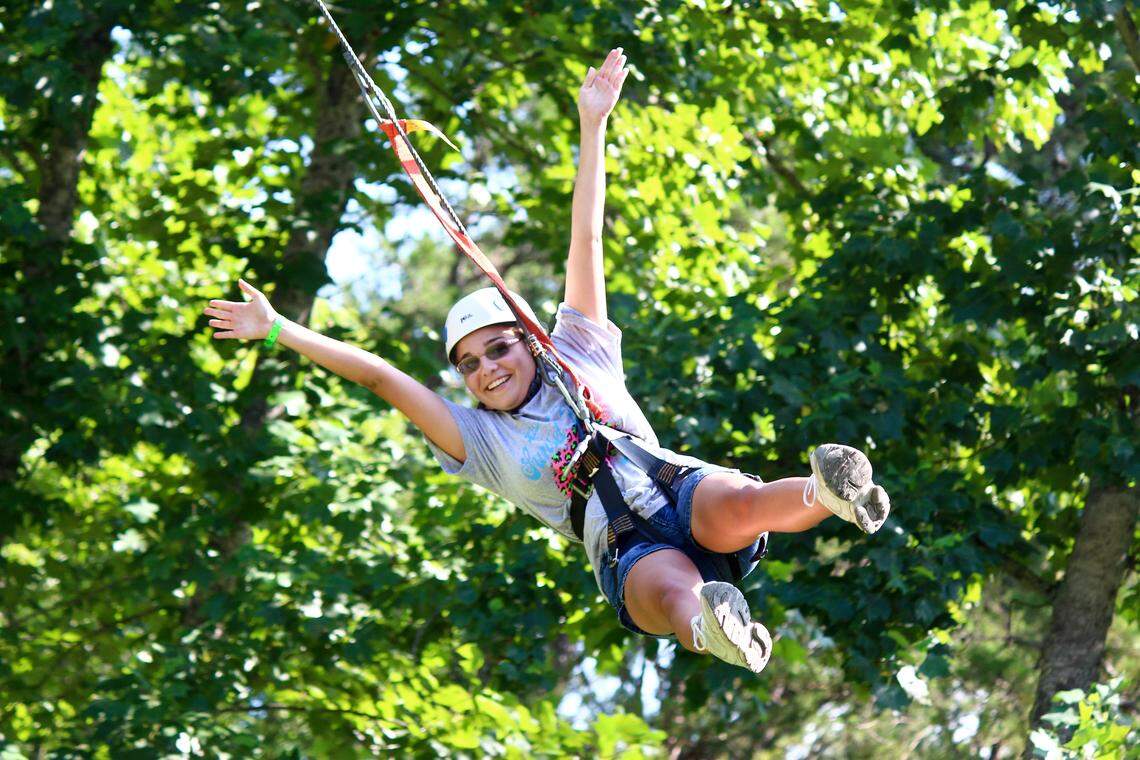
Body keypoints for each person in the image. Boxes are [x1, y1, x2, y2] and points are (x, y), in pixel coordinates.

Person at [204, 49, 890, 674]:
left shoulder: (579, 350)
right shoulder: (480, 442)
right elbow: (381, 377)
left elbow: (584, 237)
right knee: (675, 589)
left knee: (737, 503)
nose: (486, 369)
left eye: (497, 348)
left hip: (674, 486)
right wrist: (279, 329)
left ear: (529, 341)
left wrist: (593, 126)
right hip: (625, 548)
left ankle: (826, 494)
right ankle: (717, 629)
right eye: (469, 365)